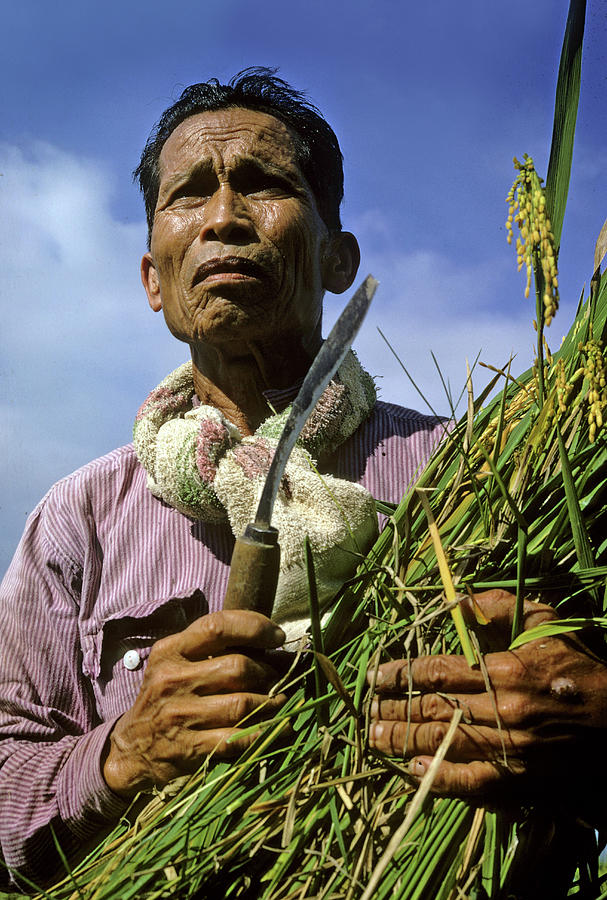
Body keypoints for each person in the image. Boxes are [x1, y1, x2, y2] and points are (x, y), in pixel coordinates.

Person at [0, 68, 605, 888]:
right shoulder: (81, 519)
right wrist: (118, 755)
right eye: (188, 195)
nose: (222, 219)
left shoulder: (470, 470)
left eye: (263, 185)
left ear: (336, 258)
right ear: (153, 278)